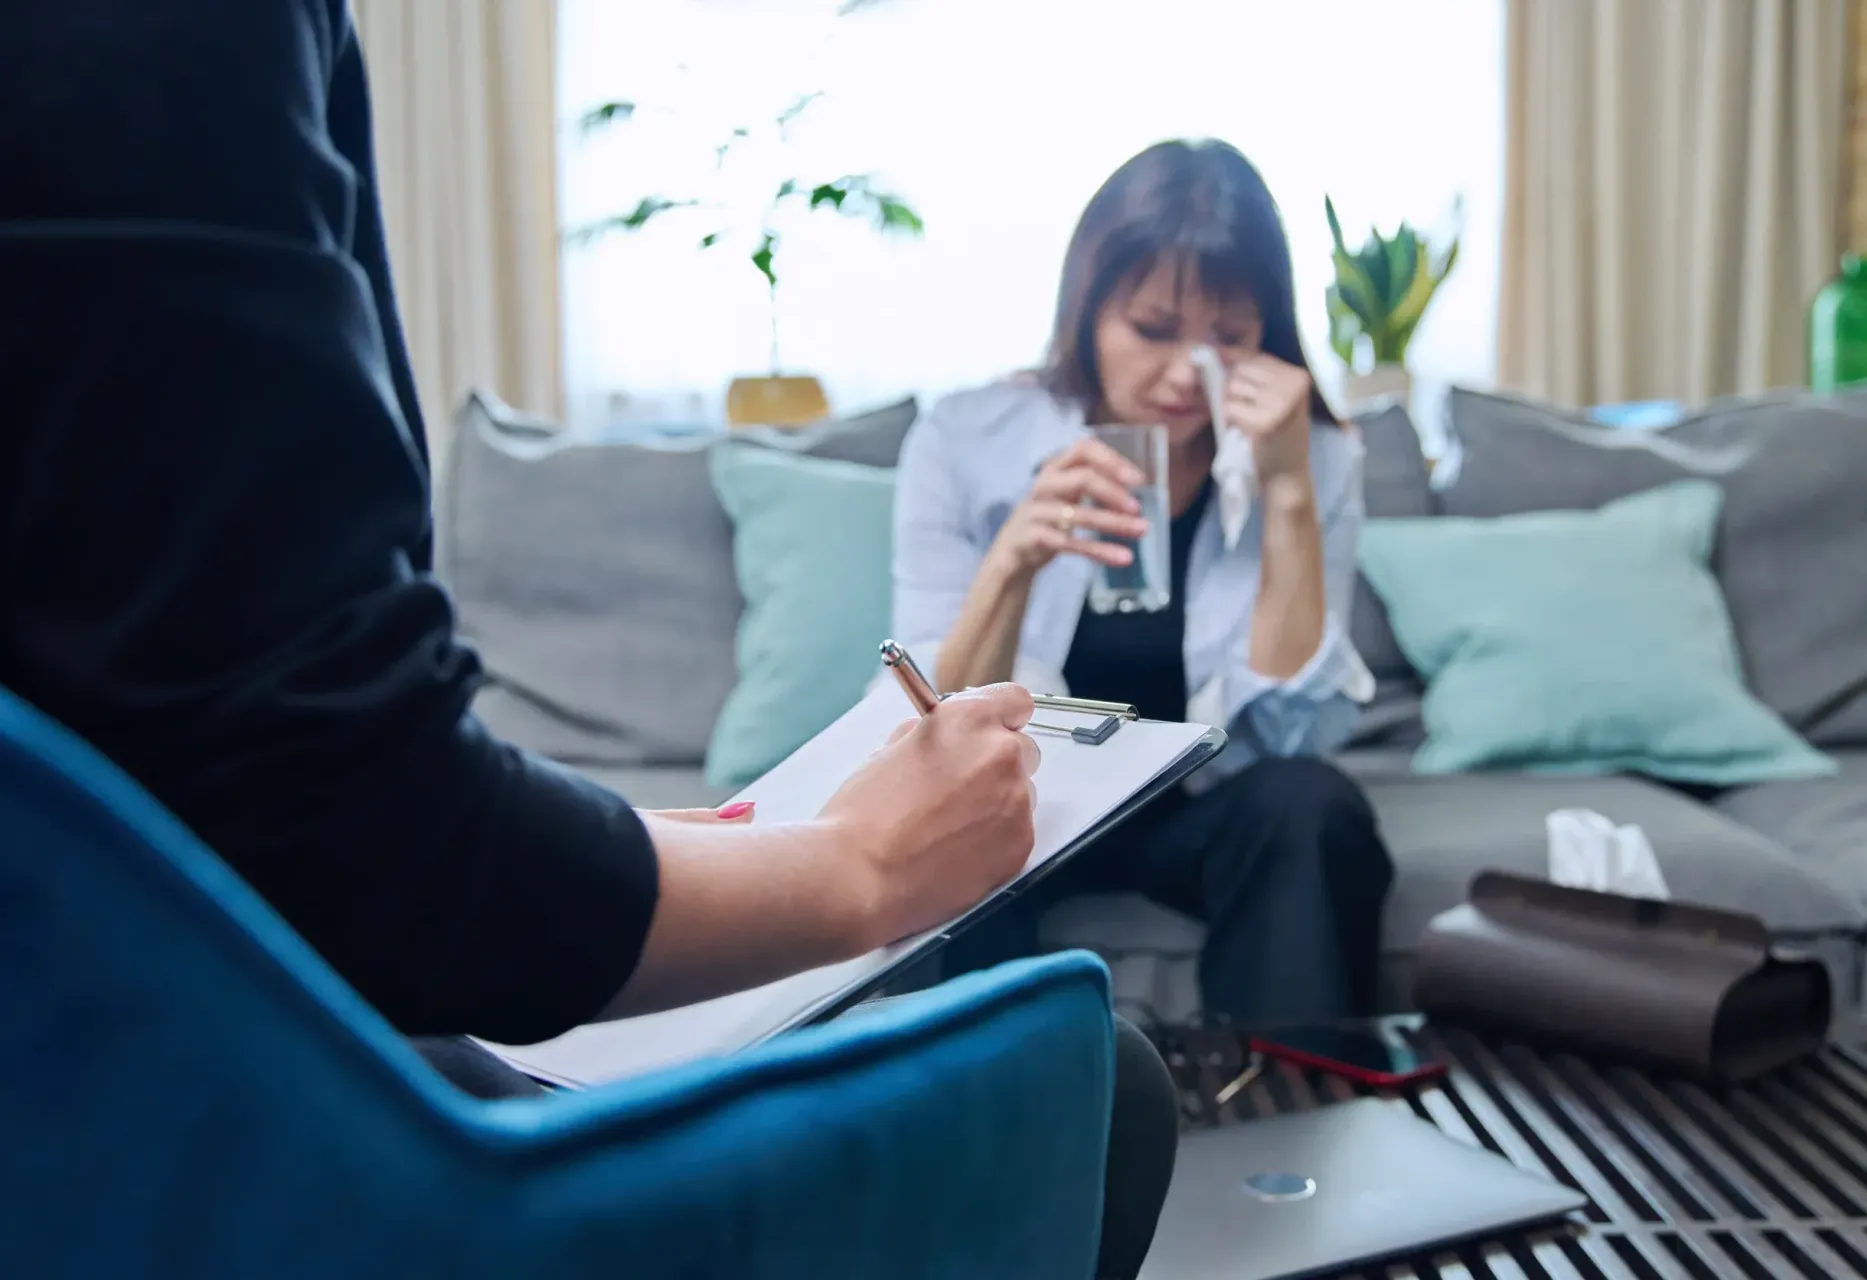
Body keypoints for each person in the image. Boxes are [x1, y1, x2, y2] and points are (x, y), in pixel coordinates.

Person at [0, 4, 1173, 1276]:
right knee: (1110, 1084)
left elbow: (221, 746)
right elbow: (359, 836)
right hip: (174, 1107)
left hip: (119, 1015)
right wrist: (854, 868)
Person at [892, 139, 1395, 1025]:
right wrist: (1013, 560)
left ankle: (1289, 1113)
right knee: (956, 819)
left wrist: (1285, 493)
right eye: (1153, 330)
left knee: (1312, 805)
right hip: (1030, 803)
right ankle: (977, 1127)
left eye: (1228, 340)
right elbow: (930, 729)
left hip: (1195, 806)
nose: (1184, 374)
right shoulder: (966, 440)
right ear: (1087, 312)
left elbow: (1294, 735)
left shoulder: (1314, 454)